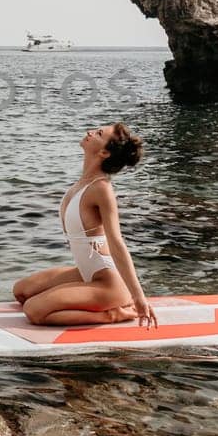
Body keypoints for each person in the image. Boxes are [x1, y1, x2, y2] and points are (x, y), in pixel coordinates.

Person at [12, 122, 157, 328]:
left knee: (34, 310)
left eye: (98, 133)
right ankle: (86, 296)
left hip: (109, 283)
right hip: (86, 271)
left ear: (104, 152)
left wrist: (139, 297)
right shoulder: (81, 183)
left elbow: (116, 243)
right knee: (22, 291)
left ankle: (113, 314)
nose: (90, 132)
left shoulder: (101, 189)